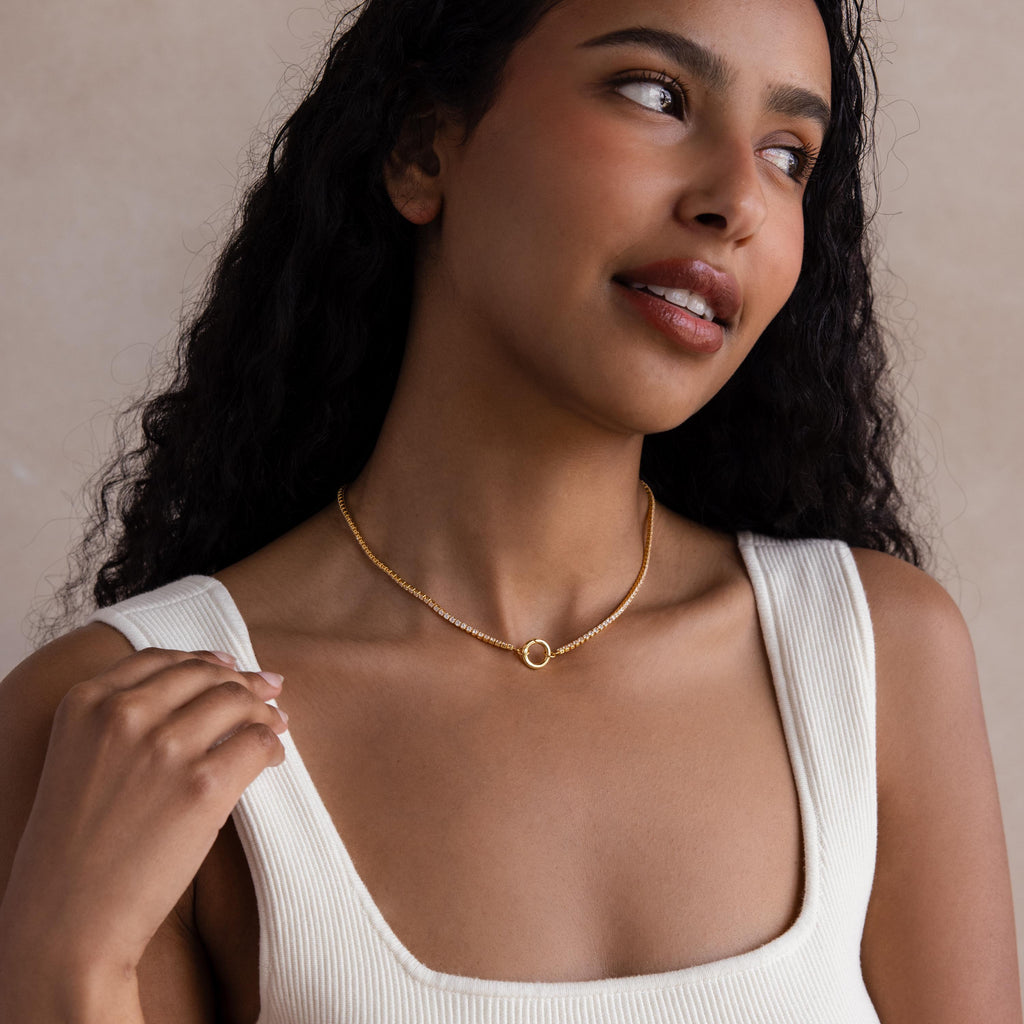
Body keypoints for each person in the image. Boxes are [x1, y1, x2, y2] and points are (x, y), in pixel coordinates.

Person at [0, 0, 1019, 1020]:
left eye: (788, 153)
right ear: (421, 151)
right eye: (655, 94)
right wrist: (63, 968)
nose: (736, 199)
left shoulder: (877, 661)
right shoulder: (125, 724)